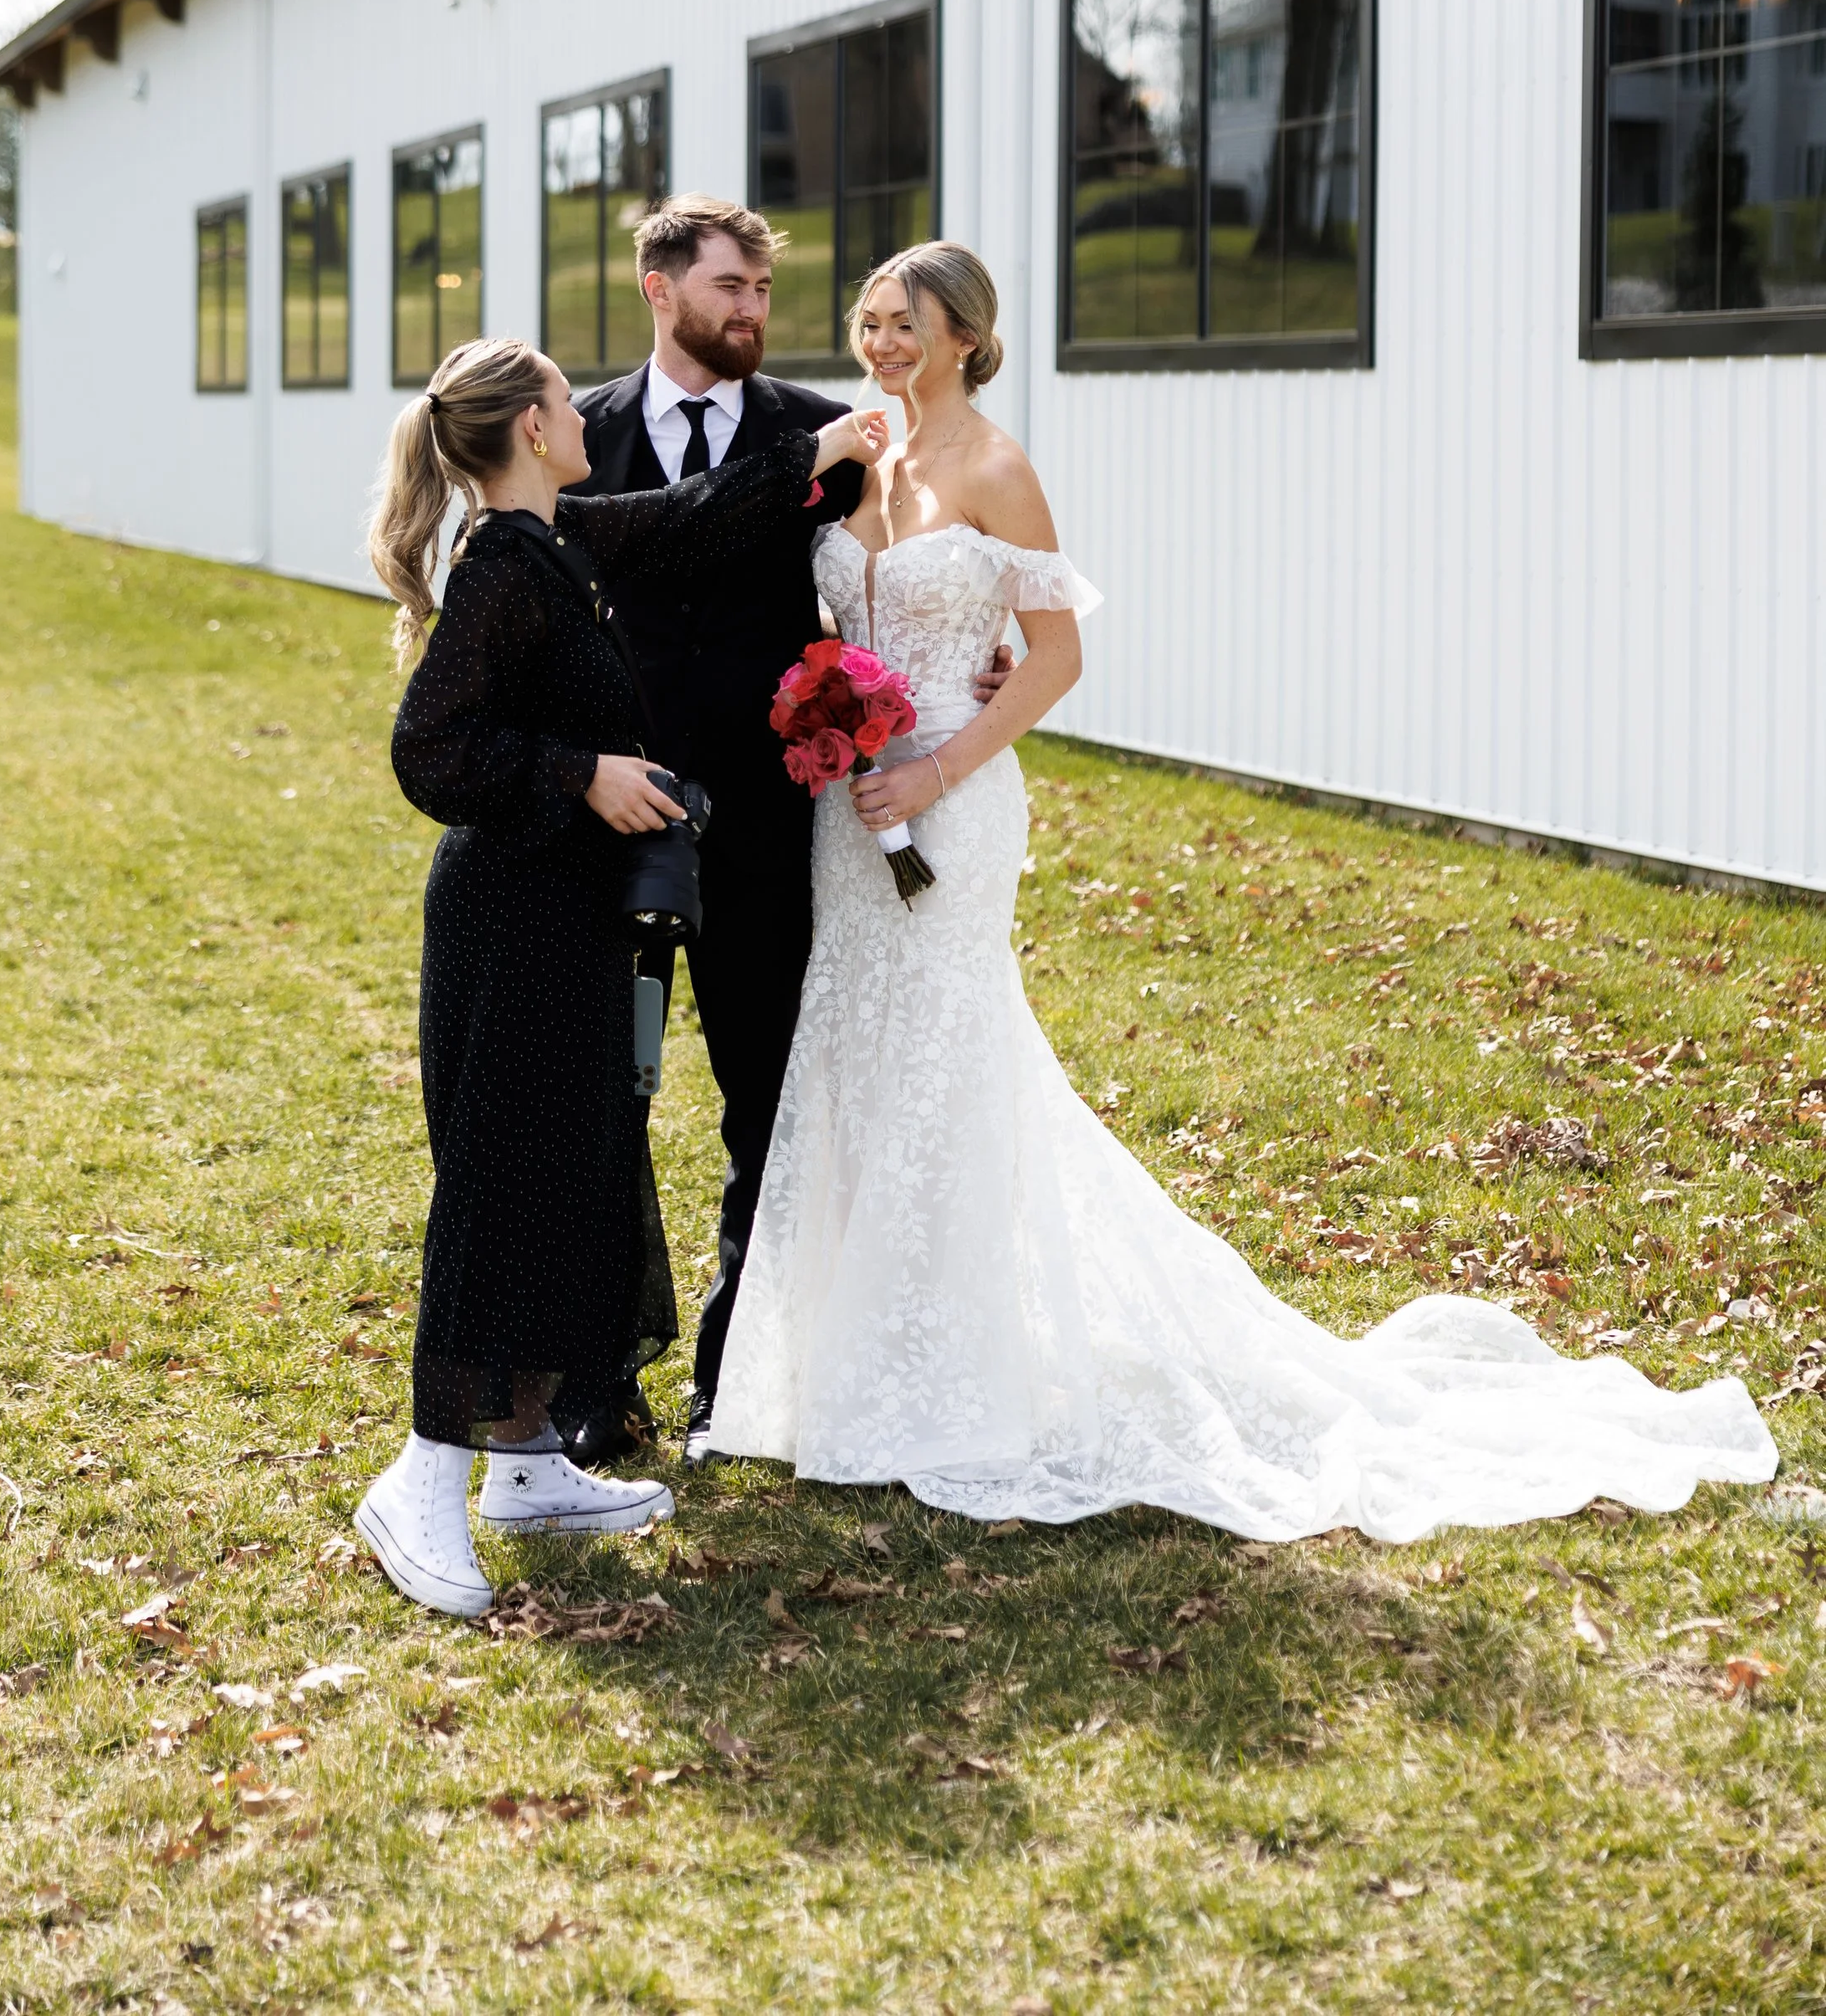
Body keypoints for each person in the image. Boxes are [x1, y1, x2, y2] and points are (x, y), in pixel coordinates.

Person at [707, 243, 1778, 1538]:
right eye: (868, 319)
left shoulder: (997, 467)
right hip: (847, 807)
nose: (877, 342)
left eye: (903, 323)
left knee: (946, 1054)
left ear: (964, 338)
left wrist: (934, 770)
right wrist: (837, 725)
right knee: (857, 1055)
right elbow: (819, 608)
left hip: (950, 794)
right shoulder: (850, 454)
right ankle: (845, 1369)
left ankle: (951, 1378)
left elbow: (1056, 657)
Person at [352, 330, 883, 1614]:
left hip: (569, 916)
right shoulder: (501, 568)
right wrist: (579, 774)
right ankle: (422, 1478)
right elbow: (429, 750)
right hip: (507, 920)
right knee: (501, 1183)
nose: (585, 411)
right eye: (560, 398)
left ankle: (528, 1461)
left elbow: (692, 513)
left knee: (578, 1170)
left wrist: (818, 450)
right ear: (533, 431)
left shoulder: (558, 541)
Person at [562, 195, 1006, 1465]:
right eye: (727, 288)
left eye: (762, 289)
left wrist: (968, 671)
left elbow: (918, 565)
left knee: (769, 1112)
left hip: (772, 837)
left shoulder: (830, 433)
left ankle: (728, 1382)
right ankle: (602, 1377)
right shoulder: (575, 437)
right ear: (660, 290)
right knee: (606, 1104)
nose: (751, 311)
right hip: (615, 833)